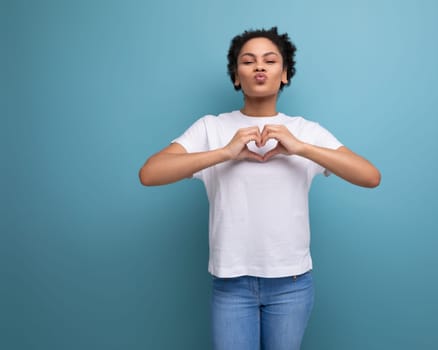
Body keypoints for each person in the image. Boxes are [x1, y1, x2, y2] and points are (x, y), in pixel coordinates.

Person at [139, 27, 380, 350]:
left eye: (270, 60)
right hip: (231, 284)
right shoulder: (212, 127)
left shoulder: (305, 131)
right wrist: (224, 152)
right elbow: (150, 173)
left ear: (284, 74)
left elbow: (369, 176)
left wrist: (301, 148)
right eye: (248, 61)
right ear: (237, 77)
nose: (259, 67)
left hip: (292, 284)